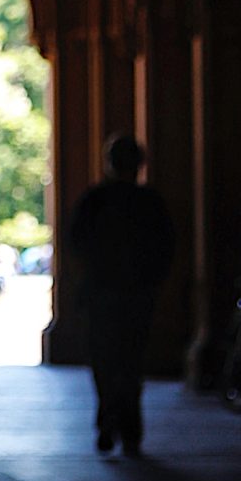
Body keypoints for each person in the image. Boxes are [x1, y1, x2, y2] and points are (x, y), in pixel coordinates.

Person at [68, 132, 175, 456]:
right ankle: (130, 428)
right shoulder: (151, 202)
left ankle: (107, 418)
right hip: (137, 293)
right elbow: (165, 248)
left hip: (102, 292)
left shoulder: (95, 199)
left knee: (103, 360)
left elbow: (76, 243)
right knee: (131, 361)